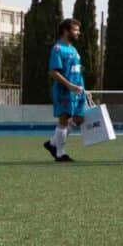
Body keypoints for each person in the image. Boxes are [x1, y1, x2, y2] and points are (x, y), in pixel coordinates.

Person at [45, 17, 90, 163]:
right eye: (76, 30)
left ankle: (52, 143)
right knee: (64, 119)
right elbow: (53, 72)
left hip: (78, 89)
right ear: (66, 31)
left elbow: (73, 68)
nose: (78, 33)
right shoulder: (58, 48)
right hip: (66, 90)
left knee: (79, 118)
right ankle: (60, 153)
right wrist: (69, 85)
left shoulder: (73, 48)